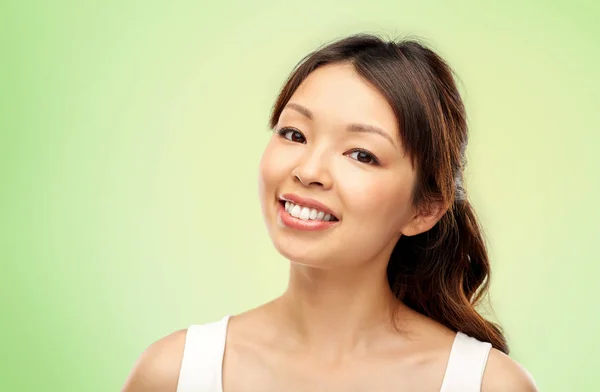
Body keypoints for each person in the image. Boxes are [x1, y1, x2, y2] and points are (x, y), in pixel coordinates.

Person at [122, 33, 537, 392]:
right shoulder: (174, 373)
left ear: (424, 209)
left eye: (361, 154)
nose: (308, 171)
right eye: (294, 134)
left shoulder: (487, 384)